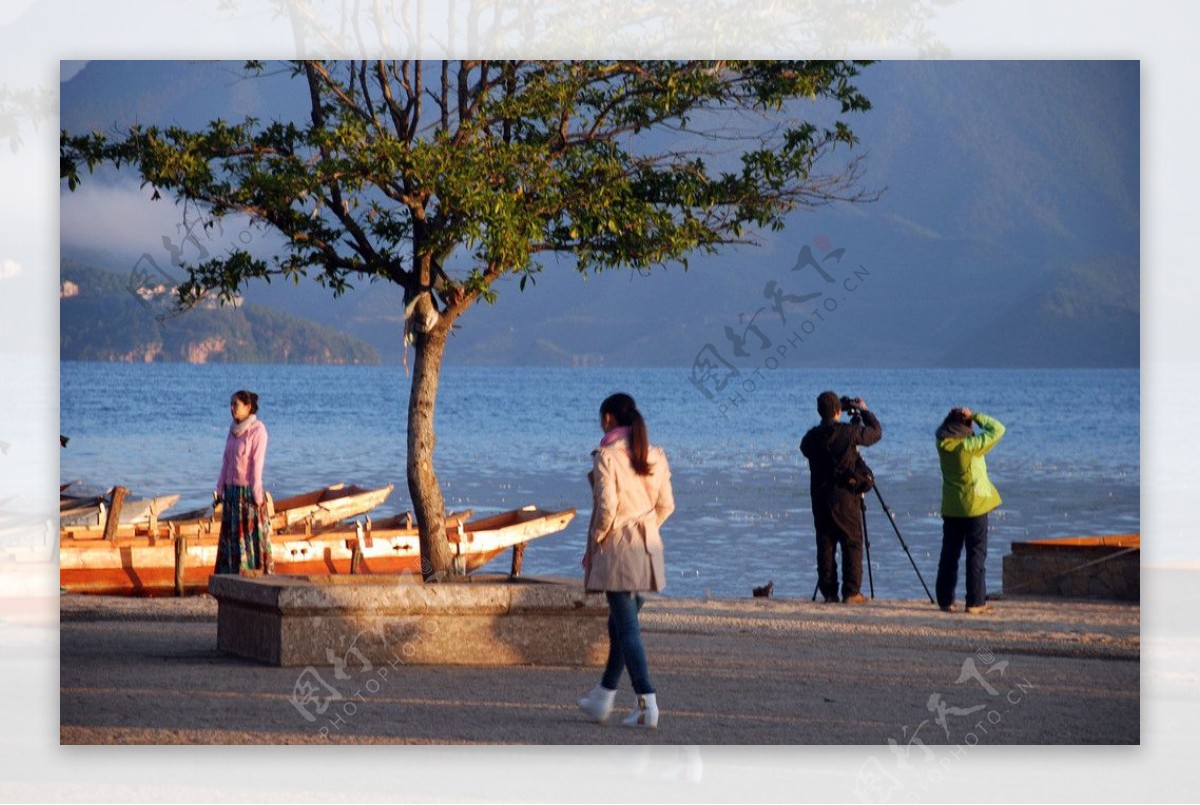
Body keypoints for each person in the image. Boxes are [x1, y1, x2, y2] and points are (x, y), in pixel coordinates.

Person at [577, 392, 675, 729]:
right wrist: (646, 527)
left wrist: (598, 540)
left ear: (607, 419)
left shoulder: (607, 456)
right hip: (649, 549)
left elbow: (605, 508)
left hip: (619, 549)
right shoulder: (656, 456)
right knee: (619, 624)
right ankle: (603, 697)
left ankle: (647, 702)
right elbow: (667, 506)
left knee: (628, 628)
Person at [799, 391, 882, 604]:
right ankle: (851, 592)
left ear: (820, 412)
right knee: (852, 542)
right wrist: (864, 411)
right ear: (838, 411)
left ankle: (829, 593)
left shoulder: (811, 438)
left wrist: (834, 414)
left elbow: (805, 447)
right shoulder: (849, 433)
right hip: (845, 497)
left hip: (820, 498)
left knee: (825, 544)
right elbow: (875, 433)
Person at [934, 407, 1005, 614]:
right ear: (966, 427)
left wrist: (954, 416)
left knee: (949, 555)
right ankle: (975, 602)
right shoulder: (969, 446)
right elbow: (998, 429)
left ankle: (945, 600)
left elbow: (941, 429)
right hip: (974, 507)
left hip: (951, 507)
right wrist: (976, 416)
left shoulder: (941, 442)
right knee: (976, 554)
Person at [214, 390, 273, 575]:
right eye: (231, 404)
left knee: (247, 541)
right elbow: (226, 461)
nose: (232, 408)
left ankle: (249, 576)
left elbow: (257, 465)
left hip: (246, 494)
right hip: (231, 494)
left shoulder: (258, 431)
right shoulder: (233, 431)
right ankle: (229, 576)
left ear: (248, 408)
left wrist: (257, 496)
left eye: (236, 405)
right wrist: (220, 489)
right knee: (231, 541)